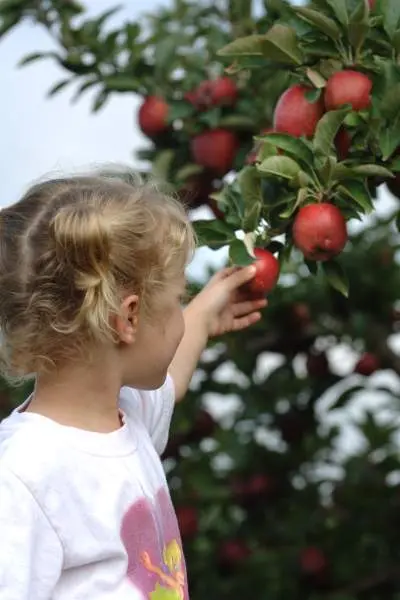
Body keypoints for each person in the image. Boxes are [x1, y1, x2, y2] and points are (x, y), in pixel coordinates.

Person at [0, 170, 267, 600]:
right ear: (128, 318)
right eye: (178, 300)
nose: (182, 314)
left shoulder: (122, 416)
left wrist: (202, 316)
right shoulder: (21, 476)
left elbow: (170, 382)